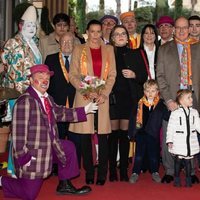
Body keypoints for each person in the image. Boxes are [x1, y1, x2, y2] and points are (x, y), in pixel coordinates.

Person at [0, 64, 98, 199]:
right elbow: (18, 136)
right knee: (29, 194)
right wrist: (24, 158)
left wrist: (84, 110)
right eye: (40, 78)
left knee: (68, 148)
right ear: (31, 80)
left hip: (49, 145)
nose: (45, 82)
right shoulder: (25, 102)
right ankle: (2, 181)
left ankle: (64, 185)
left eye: (47, 78)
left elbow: (59, 112)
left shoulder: (46, 98)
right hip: (33, 153)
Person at [69, 19, 116, 186]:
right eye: (92, 31)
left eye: (98, 31)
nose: (95, 35)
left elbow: (112, 74)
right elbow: (73, 75)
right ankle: (89, 171)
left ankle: (102, 172)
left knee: (103, 136)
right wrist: (88, 91)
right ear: (87, 32)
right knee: (85, 136)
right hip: (84, 96)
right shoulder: (79, 49)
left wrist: (104, 93)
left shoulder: (109, 49)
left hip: (102, 97)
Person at [156, 16, 199, 184]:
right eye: (178, 28)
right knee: (171, 132)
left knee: (192, 133)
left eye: (185, 27)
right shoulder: (165, 49)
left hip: (194, 96)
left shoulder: (198, 47)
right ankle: (169, 169)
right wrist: (168, 99)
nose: (182, 31)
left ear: (189, 29)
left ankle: (192, 169)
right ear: (174, 29)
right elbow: (160, 76)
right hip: (173, 97)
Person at [1, 5, 42, 177]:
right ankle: (13, 168)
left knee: (26, 134)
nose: (31, 28)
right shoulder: (13, 43)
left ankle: (21, 165)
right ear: (20, 25)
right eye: (28, 25)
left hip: (33, 93)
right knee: (19, 134)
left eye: (34, 25)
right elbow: (13, 73)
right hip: (19, 95)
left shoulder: (34, 42)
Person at [108, 25, 147, 182]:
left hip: (128, 99)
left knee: (124, 136)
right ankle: (112, 170)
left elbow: (144, 77)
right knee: (112, 136)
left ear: (127, 36)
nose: (121, 36)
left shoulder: (136, 53)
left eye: (123, 33)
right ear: (112, 38)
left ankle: (123, 170)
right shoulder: (107, 52)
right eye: (117, 34)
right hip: (111, 100)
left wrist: (134, 74)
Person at [45, 32, 81, 167]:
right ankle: (55, 165)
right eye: (64, 42)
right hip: (57, 105)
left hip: (74, 104)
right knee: (57, 138)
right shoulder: (50, 59)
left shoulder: (79, 60)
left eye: (70, 42)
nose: (67, 44)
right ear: (59, 44)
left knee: (75, 138)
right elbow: (46, 82)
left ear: (74, 44)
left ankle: (74, 164)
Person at [129, 80, 169, 184]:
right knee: (138, 155)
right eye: (147, 91)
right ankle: (135, 173)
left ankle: (155, 172)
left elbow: (166, 116)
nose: (150, 93)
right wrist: (131, 133)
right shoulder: (139, 103)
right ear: (144, 91)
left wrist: (173, 110)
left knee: (153, 155)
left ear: (157, 92)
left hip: (153, 134)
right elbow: (133, 118)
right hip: (141, 133)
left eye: (152, 91)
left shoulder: (161, 104)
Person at [166, 89, 200, 187]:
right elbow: (170, 128)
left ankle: (188, 179)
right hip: (179, 141)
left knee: (188, 161)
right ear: (181, 100)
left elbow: (198, 125)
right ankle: (176, 179)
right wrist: (170, 140)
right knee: (178, 161)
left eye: (191, 97)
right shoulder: (175, 113)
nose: (191, 99)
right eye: (188, 98)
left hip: (190, 142)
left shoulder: (194, 112)